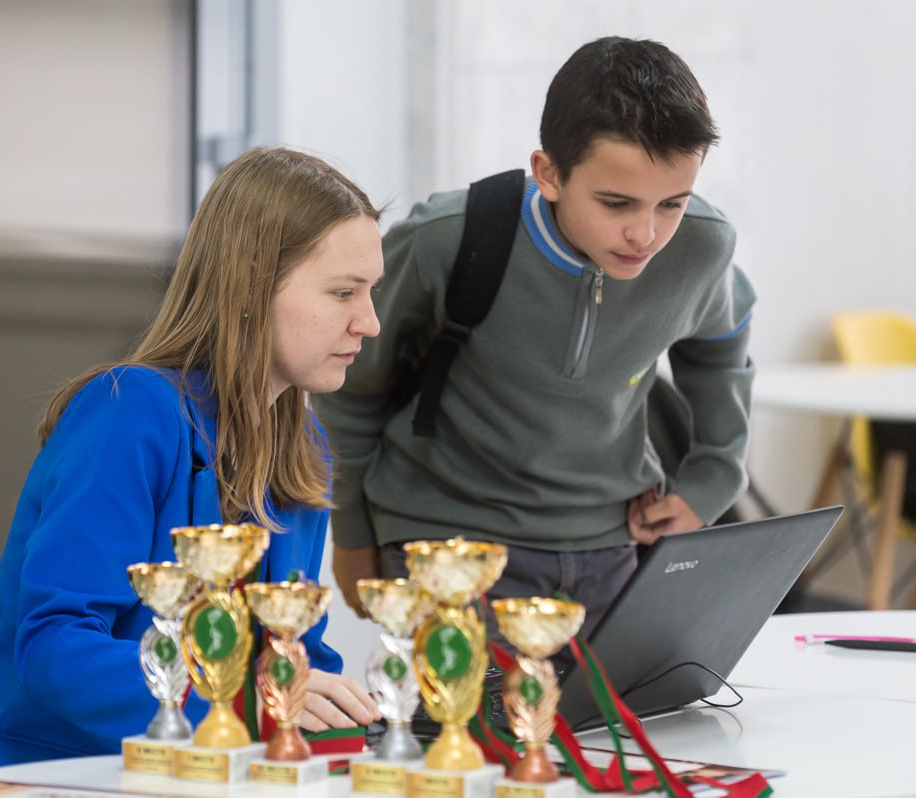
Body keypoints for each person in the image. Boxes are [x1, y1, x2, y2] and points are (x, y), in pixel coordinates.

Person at [0, 146, 384, 775]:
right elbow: (55, 650)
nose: (369, 322)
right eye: (343, 293)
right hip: (55, 773)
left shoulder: (302, 444)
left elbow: (293, 651)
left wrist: (339, 710)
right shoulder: (128, 413)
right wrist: (250, 704)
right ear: (252, 287)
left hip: (205, 772)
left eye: (370, 293)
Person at [313, 36, 755, 639]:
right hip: (446, 543)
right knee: (472, 708)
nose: (646, 234)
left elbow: (722, 348)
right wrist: (351, 533)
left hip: (613, 547)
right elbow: (351, 386)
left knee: (632, 708)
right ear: (548, 174)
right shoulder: (446, 238)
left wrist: (715, 478)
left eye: (672, 203)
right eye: (616, 203)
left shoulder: (703, 245)